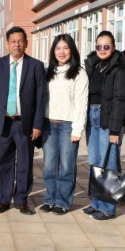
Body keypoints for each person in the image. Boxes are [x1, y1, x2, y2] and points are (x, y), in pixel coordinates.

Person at [0, 27, 46, 215]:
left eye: (20, 41)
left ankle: (21, 200)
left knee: (25, 164)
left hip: (25, 124)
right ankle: (3, 199)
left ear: (26, 43)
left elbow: (41, 98)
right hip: (3, 123)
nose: (17, 44)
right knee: (3, 162)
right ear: (7, 44)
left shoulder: (36, 66)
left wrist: (37, 124)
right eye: (13, 41)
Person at [83, 31, 125, 221]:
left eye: (106, 46)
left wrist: (115, 129)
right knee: (95, 161)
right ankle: (96, 202)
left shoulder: (120, 68)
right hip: (92, 117)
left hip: (109, 119)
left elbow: (121, 99)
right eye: (99, 46)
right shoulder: (92, 65)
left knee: (109, 163)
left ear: (113, 47)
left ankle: (108, 208)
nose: (102, 50)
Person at [39, 34, 88, 215]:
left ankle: (63, 202)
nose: (61, 52)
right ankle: (50, 199)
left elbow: (81, 103)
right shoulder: (48, 72)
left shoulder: (79, 73)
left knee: (67, 166)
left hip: (68, 125)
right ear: (53, 51)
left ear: (72, 50)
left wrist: (77, 129)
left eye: (66, 48)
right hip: (48, 125)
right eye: (58, 48)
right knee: (49, 166)